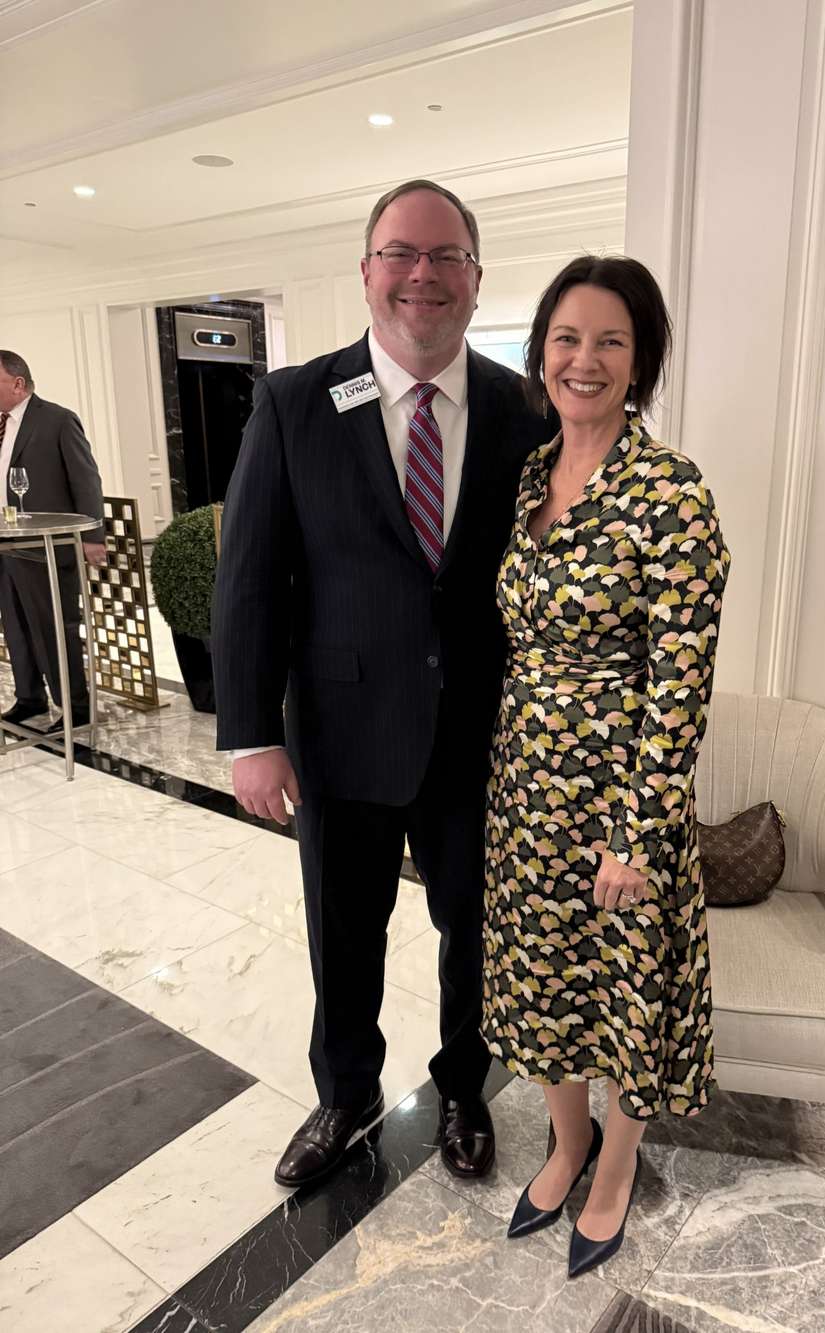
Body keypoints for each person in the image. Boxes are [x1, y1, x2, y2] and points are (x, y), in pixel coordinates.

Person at [213, 180, 550, 1188]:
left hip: (483, 738)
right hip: (341, 728)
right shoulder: (293, 403)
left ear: (476, 278)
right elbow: (250, 579)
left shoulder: (525, 410)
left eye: (446, 256)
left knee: (476, 933)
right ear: (367, 273)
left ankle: (462, 1088)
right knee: (344, 931)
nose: (422, 274)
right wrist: (250, 735)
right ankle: (346, 1094)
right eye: (401, 253)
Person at [482, 256, 730, 1278]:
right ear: (541, 351)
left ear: (641, 363)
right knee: (543, 977)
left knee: (627, 990)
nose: (584, 360)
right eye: (567, 338)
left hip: (621, 799)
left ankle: (616, 1166)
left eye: (611, 341)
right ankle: (568, 1141)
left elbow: (680, 682)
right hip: (524, 787)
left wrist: (638, 833)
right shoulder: (528, 477)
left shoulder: (671, 492)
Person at [0, 351, 107, 731]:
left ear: (18, 383)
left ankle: (75, 708)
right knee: (16, 628)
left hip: (46, 547)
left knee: (55, 630)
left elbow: (86, 480)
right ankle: (30, 698)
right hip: (7, 545)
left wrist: (92, 536)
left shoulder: (58, 420)